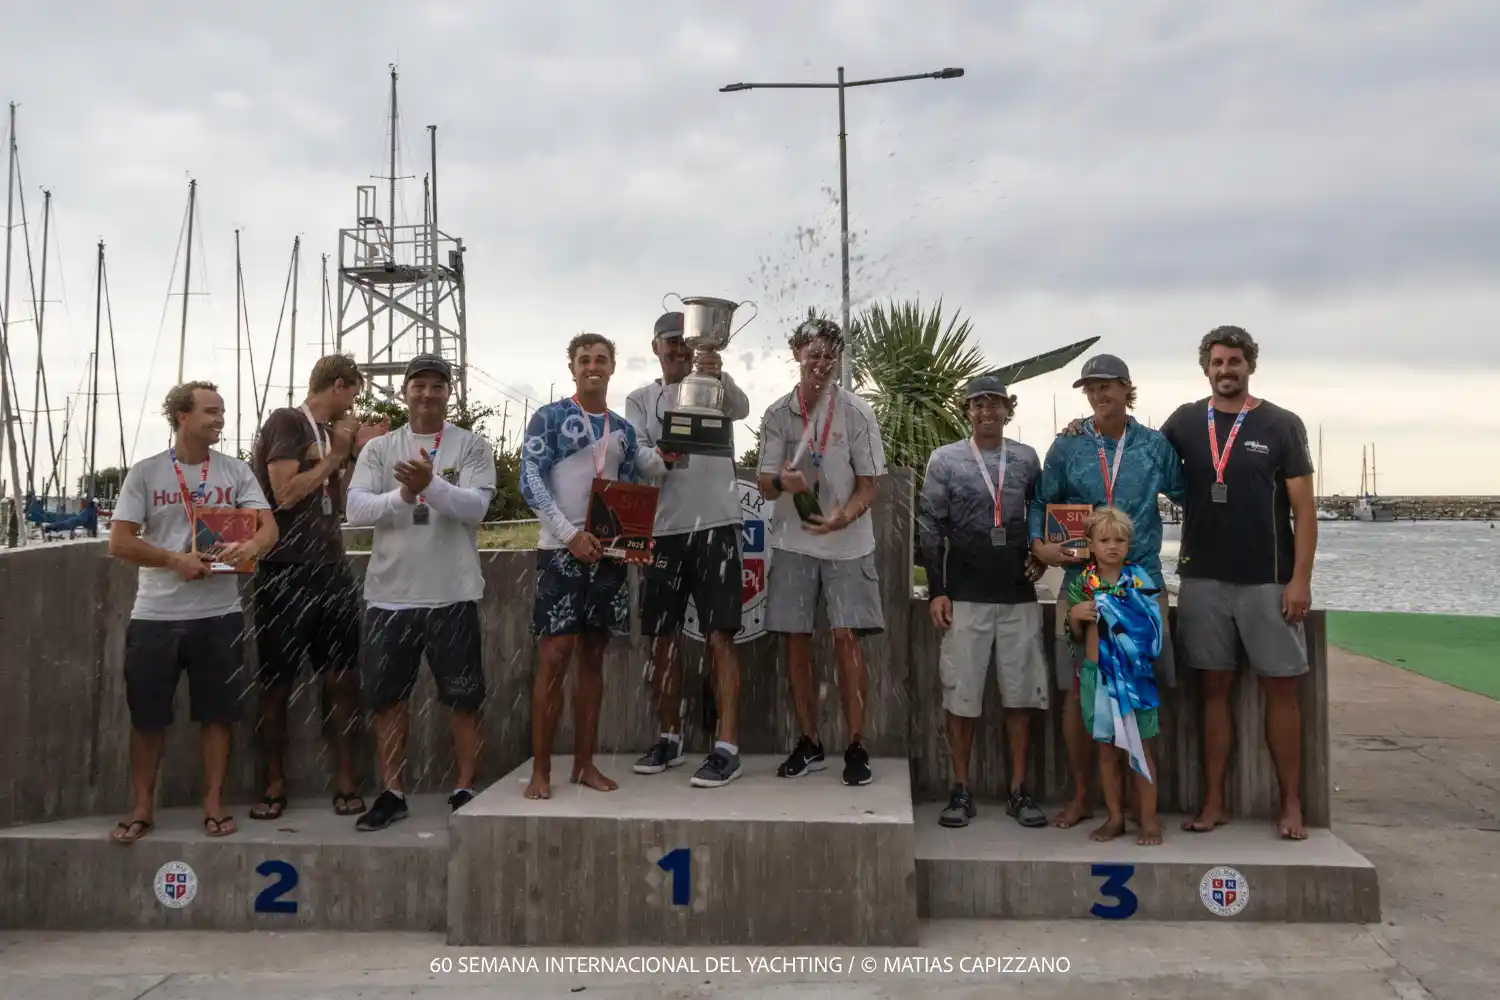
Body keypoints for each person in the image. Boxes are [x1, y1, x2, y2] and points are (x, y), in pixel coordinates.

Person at [1161, 326, 1317, 840]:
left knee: (1281, 692)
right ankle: (1213, 802)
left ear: (1250, 365)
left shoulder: (1281, 425)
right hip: (1202, 579)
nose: (1225, 370)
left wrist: (1300, 581)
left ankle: (1291, 804)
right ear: (1205, 368)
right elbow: (1139, 456)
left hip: (1268, 583)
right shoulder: (1184, 422)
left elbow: (1304, 510)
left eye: (1235, 362)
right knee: (1213, 691)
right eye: (1217, 363)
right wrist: (1083, 428)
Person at [106, 381, 277, 843]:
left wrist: (251, 545)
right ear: (182, 416)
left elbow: (269, 527)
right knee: (147, 718)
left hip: (220, 612)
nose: (220, 419)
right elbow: (120, 541)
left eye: (222, 411)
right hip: (156, 614)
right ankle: (142, 806)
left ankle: (214, 802)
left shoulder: (236, 472)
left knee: (217, 715)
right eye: (210, 411)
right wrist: (173, 559)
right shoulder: (146, 473)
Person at [1027, 353, 1184, 830]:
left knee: (1146, 693)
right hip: (1081, 585)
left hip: (1142, 585)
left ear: (1126, 388)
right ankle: (1083, 797)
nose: (1099, 395)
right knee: (1077, 696)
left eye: (1107, 386)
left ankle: (1144, 803)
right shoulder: (1068, 445)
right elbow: (1041, 500)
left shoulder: (1156, 446)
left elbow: (1189, 495)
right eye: (1091, 388)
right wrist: (1039, 545)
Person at [344, 354, 496, 831]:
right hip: (390, 595)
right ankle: (392, 791)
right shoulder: (380, 449)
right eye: (418, 385)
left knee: (464, 699)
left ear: (448, 392)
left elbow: (476, 509)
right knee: (388, 700)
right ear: (405, 392)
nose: (427, 394)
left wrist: (431, 486)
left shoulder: (472, 446)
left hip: (452, 592)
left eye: (436, 386)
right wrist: (404, 496)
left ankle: (465, 787)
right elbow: (356, 510)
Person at [248, 353, 388, 821]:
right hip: (283, 568)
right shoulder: (287, 421)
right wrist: (336, 457)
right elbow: (284, 493)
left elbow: (342, 504)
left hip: (331, 569)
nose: (354, 406)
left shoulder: (334, 438)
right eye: (354, 395)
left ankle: (346, 780)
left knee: (343, 680)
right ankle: (273, 782)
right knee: (275, 685)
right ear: (340, 385)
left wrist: (362, 453)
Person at [521, 332, 657, 799]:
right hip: (561, 551)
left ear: (613, 367)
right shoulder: (550, 418)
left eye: (601, 359)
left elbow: (634, 491)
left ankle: (584, 765)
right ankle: (541, 771)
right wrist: (569, 535)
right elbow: (529, 482)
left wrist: (635, 543)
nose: (593, 366)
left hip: (609, 557)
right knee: (554, 659)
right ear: (572, 367)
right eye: (584, 360)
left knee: (594, 658)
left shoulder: (623, 429)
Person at [757, 317, 887, 786]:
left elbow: (870, 487)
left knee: (846, 639)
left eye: (830, 355)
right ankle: (809, 741)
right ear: (797, 354)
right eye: (813, 353)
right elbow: (765, 486)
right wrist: (783, 482)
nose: (821, 362)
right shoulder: (777, 415)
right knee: (796, 641)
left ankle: (856, 744)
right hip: (793, 544)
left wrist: (841, 517)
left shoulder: (857, 412)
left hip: (849, 545)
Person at [918, 375, 1049, 828]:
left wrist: (1044, 558)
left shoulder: (1028, 459)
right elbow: (931, 527)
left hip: (1018, 597)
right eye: (977, 405)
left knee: (1020, 698)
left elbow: (1042, 516)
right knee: (961, 697)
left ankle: (1018, 790)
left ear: (1008, 409)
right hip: (965, 597)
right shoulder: (945, 460)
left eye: (994, 404)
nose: (986, 412)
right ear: (966, 411)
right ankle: (961, 789)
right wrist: (938, 588)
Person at [626, 312, 751, 788]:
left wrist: (717, 370)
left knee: (722, 636)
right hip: (663, 530)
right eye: (670, 342)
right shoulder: (639, 398)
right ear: (655, 346)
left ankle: (728, 747)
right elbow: (637, 454)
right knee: (663, 639)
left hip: (718, 524)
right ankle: (669, 736)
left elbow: (740, 408)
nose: (678, 349)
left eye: (685, 342)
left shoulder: (716, 383)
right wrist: (661, 459)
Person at [1064, 507, 1165, 846]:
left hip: (1136, 677)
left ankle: (1148, 819)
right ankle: (1115, 817)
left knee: (1142, 748)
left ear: (1129, 544)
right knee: (1107, 751)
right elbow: (1074, 636)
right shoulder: (1083, 583)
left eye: (1119, 540)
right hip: (1099, 677)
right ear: (1090, 544)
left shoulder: (1140, 579)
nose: (1112, 546)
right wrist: (1076, 615)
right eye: (1104, 540)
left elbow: (1154, 630)